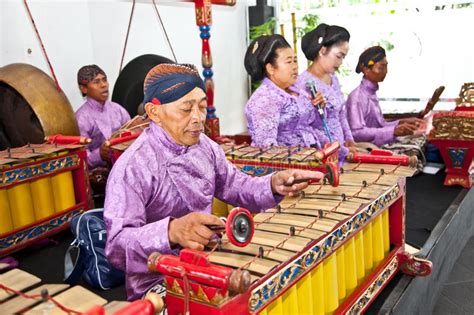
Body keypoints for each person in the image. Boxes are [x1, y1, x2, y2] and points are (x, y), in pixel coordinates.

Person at [103, 63, 323, 300]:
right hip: (159, 282)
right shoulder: (133, 166)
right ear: (154, 112)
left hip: (210, 260)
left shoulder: (206, 146)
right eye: (186, 109)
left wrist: (272, 184)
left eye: (202, 107)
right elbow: (116, 246)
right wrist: (170, 231)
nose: (198, 118)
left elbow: (235, 185)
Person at [244, 34, 326, 148]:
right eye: (289, 62)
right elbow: (268, 148)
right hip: (289, 163)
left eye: (295, 60)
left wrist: (319, 108)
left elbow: (313, 126)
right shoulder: (264, 100)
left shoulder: (300, 91)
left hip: (313, 157)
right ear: (271, 68)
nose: (295, 67)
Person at [296, 23, 357, 162]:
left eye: (343, 57)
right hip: (322, 155)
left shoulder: (333, 78)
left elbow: (341, 113)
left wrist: (349, 139)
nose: (340, 62)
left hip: (342, 151)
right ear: (323, 50)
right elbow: (307, 128)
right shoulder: (303, 84)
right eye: (339, 56)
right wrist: (341, 150)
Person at [346, 46, 423, 147]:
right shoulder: (356, 97)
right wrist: (393, 131)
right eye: (381, 67)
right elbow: (356, 133)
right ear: (366, 70)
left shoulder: (371, 94)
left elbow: (380, 125)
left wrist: (400, 122)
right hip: (364, 149)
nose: (385, 72)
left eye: (386, 67)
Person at [75, 65, 131, 170]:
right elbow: (80, 159)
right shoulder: (81, 118)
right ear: (84, 89)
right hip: (98, 177)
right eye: (96, 82)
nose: (103, 85)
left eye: (104, 80)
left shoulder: (117, 109)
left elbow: (131, 133)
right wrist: (99, 154)